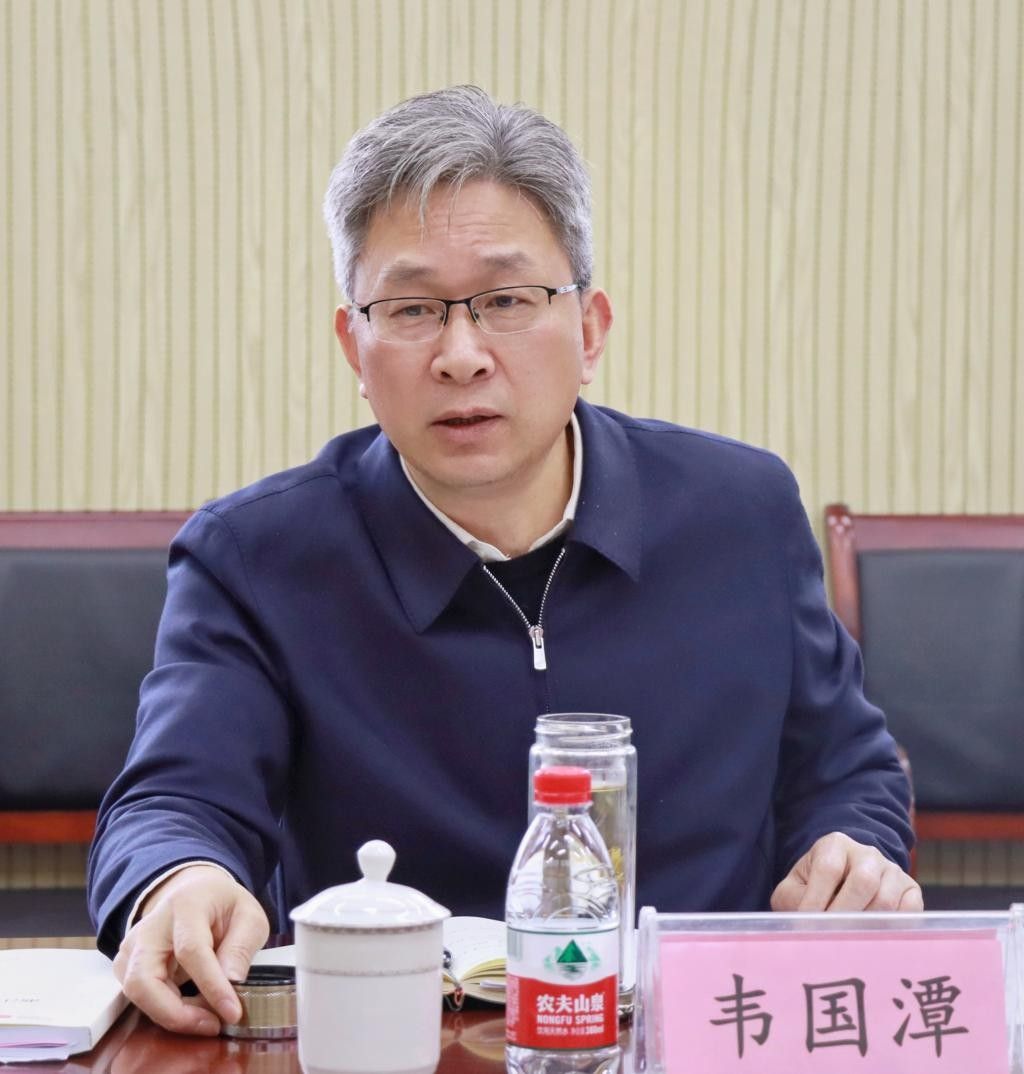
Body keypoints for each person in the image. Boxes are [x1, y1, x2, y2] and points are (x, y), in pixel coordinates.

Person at [87, 85, 920, 1037]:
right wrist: (179, 878)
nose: (461, 354)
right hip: (394, 1038)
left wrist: (851, 849)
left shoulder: (741, 514)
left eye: (508, 301)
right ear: (354, 347)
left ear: (591, 330)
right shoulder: (257, 557)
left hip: (699, 1031)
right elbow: (174, 799)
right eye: (411, 309)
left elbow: (845, 769)